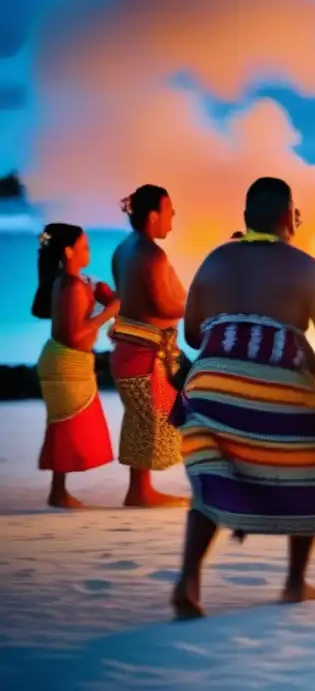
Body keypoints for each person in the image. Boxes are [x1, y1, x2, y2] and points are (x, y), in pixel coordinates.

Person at [170, 177, 315, 619]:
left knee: (212, 483)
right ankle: (294, 581)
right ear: (290, 217)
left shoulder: (216, 259)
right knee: (311, 472)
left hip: (210, 382)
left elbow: (192, 331)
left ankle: (189, 579)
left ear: (245, 219)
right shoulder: (307, 267)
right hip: (278, 382)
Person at [32, 224, 121, 508]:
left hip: (68, 361)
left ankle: (59, 491)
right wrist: (109, 311)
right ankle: (58, 493)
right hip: (66, 361)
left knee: (68, 426)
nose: (88, 252)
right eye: (84, 247)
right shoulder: (70, 285)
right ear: (68, 251)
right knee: (67, 426)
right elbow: (74, 335)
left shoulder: (73, 281)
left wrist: (103, 297)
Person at [110, 185, 188, 507]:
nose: (174, 216)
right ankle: (141, 492)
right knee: (149, 420)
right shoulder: (150, 254)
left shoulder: (123, 248)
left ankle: (138, 489)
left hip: (131, 350)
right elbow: (163, 304)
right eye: (170, 209)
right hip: (146, 353)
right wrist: (196, 303)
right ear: (154, 215)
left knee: (142, 419)